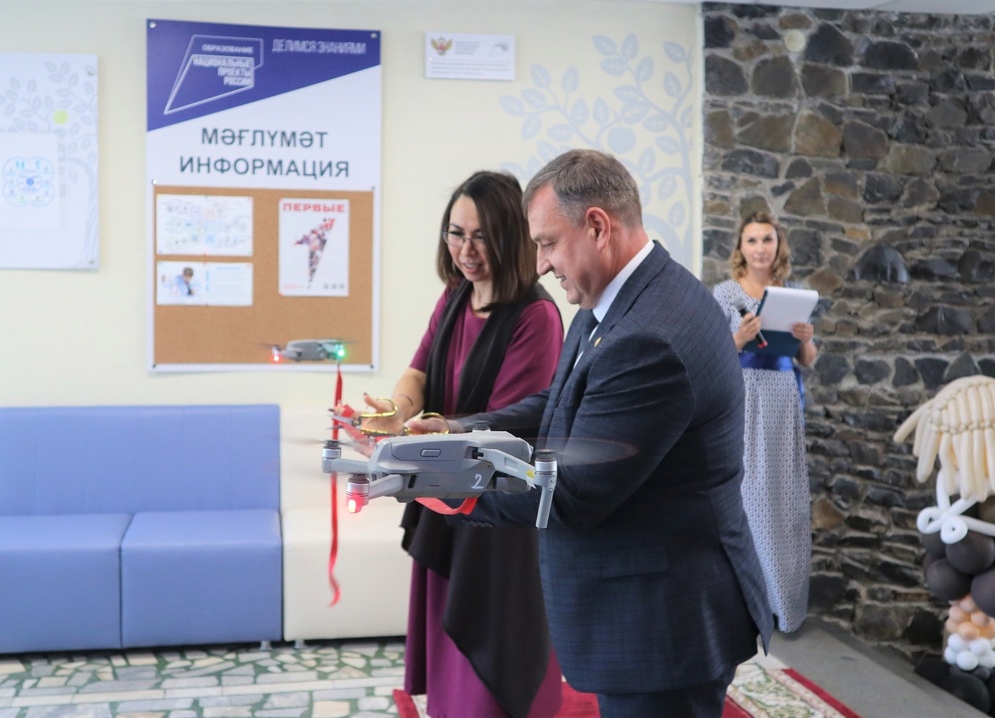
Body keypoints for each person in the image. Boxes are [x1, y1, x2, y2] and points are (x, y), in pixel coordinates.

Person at [407, 150, 772, 718]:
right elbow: (561, 401)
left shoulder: (649, 336)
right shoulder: (625, 293)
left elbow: (573, 493)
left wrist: (438, 476)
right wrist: (459, 429)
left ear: (598, 226)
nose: (540, 264)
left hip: (660, 623)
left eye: (548, 243)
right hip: (651, 606)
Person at [350, 170, 564, 718]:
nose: (466, 251)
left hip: (497, 513)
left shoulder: (537, 317)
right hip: (445, 496)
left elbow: (508, 429)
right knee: (450, 667)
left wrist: (423, 436)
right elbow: (419, 371)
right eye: (456, 233)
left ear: (511, 236)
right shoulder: (454, 297)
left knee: (492, 654)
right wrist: (394, 411)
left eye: (481, 237)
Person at [712, 211, 818, 634]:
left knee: (783, 500)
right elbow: (712, 353)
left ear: (778, 245)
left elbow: (806, 360)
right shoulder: (725, 293)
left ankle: (781, 604)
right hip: (744, 396)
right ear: (741, 247)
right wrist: (739, 338)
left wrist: (806, 341)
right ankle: (741, 603)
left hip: (782, 399)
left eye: (767, 240)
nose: (760, 248)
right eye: (752, 240)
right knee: (746, 495)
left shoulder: (793, 293)